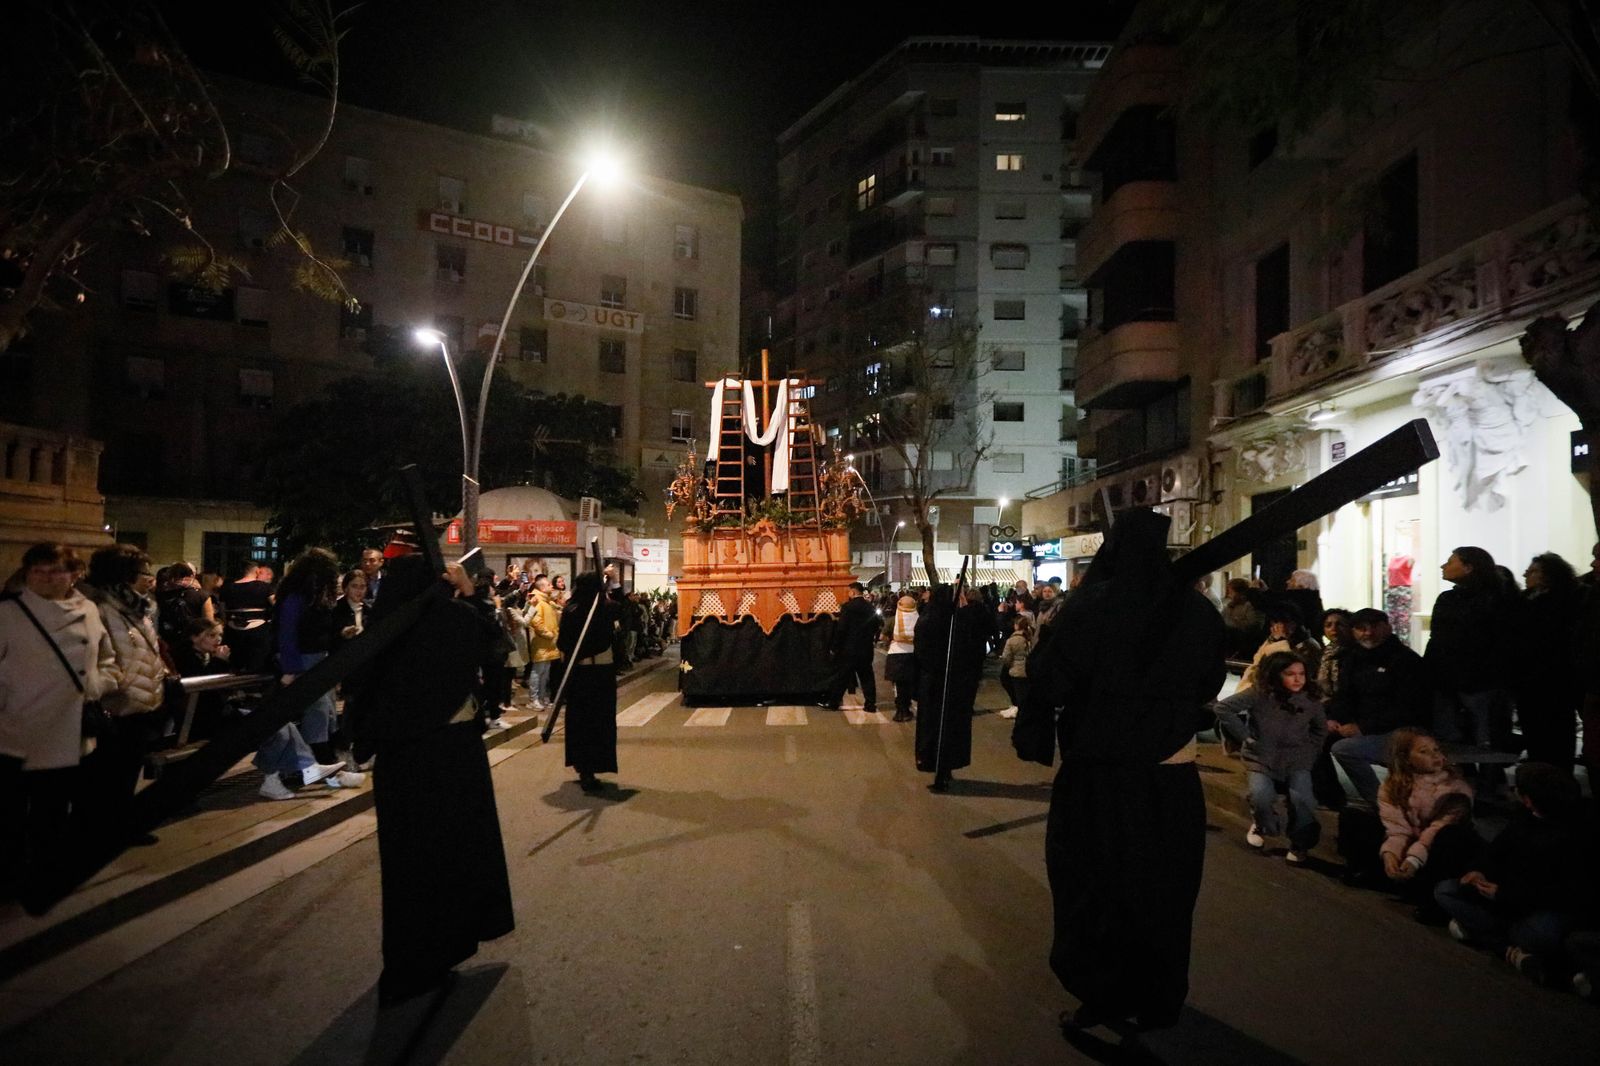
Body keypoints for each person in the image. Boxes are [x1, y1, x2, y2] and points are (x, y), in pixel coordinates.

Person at [1019, 508, 1227, 1033]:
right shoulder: (1197, 612)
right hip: (1172, 777)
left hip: (1100, 777)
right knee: (1165, 892)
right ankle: (1158, 1000)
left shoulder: (1091, 606)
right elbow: (1208, 683)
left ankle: (1104, 995)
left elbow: (1050, 679)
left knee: (1096, 888)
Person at [345, 554, 515, 1006]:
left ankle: (412, 961)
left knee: (410, 866)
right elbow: (496, 647)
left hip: (403, 761)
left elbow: (362, 689)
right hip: (454, 752)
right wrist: (470, 595)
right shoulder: (454, 618)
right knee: (455, 854)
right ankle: (447, 946)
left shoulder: (386, 625)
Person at [1, 544, 116, 909]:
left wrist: (95, 685)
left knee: (53, 813)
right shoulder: (8, 612)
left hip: (69, 730)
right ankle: (10, 879)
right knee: (10, 815)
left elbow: (109, 659)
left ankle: (44, 880)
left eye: (55, 570)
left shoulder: (90, 611)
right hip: (13, 730)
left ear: (74, 574)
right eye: (38, 570)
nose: (46, 577)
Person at [1433, 762, 1592, 983]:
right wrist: (1477, 871)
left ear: (1528, 799)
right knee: (1445, 891)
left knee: (1542, 934)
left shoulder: (1575, 835)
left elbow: (1561, 894)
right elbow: (1495, 851)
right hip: (1506, 898)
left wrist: (1503, 893)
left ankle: (1497, 943)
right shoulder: (1524, 819)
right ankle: (1511, 949)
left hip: (1539, 905)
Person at [79, 544, 173, 843]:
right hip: (115, 702)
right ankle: (100, 830)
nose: (150, 577)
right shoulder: (100, 607)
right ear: (124, 575)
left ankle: (120, 824)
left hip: (139, 700)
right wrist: (115, 683)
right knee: (106, 771)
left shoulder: (138, 607)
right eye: (144, 572)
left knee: (126, 768)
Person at [1212, 651, 1326, 864]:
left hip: (1297, 758)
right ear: (1275, 675)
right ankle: (1262, 823)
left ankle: (1300, 844)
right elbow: (1223, 708)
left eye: (1301, 673)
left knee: (1303, 800)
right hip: (1261, 757)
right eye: (1290, 673)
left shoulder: (1310, 698)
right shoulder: (1259, 694)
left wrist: (1311, 751)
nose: (1297, 679)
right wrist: (1245, 737)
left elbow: (1319, 728)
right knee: (1260, 796)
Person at [1328, 608, 1432, 807]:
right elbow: (1344, 695)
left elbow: (1409, 709)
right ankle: (1327, 795)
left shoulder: (1405, 661)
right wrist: (1335, 719)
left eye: (1374, 627)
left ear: (1388, 627)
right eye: (1361, 628)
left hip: (1399, 731)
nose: (1368, 633)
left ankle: (1381, 803)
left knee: (1344, 749)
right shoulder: (1352, 658)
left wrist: (1362, 728)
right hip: (1362, 725)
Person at [1377, 728, 1478, 922]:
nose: (1435, 756)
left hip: (1438, 849)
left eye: (1436, 750)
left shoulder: (1456, 789)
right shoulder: (1392, 785)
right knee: (1357, 819)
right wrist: (1390, 854)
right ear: (1406, 758)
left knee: (1449, 836)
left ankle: (1431, 900)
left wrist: (1414, 859)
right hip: (1412, 844)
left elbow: (1437, 830)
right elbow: (1396, 827)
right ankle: (1391, 877)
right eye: (1424, 752)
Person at [1426, 545, 1512, 750]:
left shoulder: (1496, 600)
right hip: (1447, 681)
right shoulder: (1447, 598)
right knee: (1450, 738)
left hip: (1481, 682)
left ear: (1468, 567)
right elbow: (1437, 638)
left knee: (1486, 739)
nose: (1443, 566)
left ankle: (1490, 779)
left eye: (1450, 561)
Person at [1510, 552, 1582, 772]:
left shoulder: (1566, 602)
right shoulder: (1525, 601)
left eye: (1533, 571)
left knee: (1556, 733)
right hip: (1529, 681)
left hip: (1555, 679)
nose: (1525, 575)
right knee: (1534, 732)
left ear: (1549, 576)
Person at [913, 583, 986, 791]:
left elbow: (922, 651)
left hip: (937, 682)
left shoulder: (934, 619)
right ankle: (944, 767)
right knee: (946, 727)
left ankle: (940, 769)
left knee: (937, 727)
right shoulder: (954, 620)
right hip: (950, 681)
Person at [557, 572, 621, 793]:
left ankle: (584, 767)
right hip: (598, 672)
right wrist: (611, 583)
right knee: (596, 721)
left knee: (581, 721)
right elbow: (617, 606)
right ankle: (588, 769)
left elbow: (562, 642)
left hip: (578, 672)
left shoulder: (570, 609)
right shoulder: (599, 608)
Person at [1237, 603, 1322, 693]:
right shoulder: (1273, 640)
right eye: (1276, 622)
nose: (1280, 627)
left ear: (1296, 623)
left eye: (1286, 622)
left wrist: (1280, 642)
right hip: (1258, 691)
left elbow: (1289, 672)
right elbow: (1256, 665)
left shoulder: (1308, 646)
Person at [824, 581, 879, 711]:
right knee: (867, 677)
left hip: (849, 649)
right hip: (865, 648)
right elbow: (876, 625)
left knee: (842, 677)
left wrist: (835, 647)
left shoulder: (848, 607)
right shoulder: (869, 607)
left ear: (853, 592)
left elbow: (841, 629)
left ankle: (833, 703)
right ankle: (870, 704)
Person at [220, 561, 274, 674]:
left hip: (233, 630)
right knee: (257, 665)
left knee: (235, 664)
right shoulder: (264, 587)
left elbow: (223, 611)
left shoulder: (228, 588)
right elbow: (276, 604)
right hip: (258, 629)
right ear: (256, 571)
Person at [523, 575, 561, 710]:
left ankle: (541, 697)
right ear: (543, 587)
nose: (552, 586)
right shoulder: (539, 601)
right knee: (538, 672)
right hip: (542, 643)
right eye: (549, 584)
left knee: (545, 673)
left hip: (548, 644)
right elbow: (536, 621)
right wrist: (549, 634)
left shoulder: (547, 602)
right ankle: (534, 699)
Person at [883, 593, 919, 722]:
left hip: (895, 654)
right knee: (909, 683)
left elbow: (883, 636)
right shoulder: (918, 618)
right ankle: (907, 708)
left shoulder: (893, 619)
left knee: (898, 685)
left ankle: (900, 711)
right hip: (913, 654)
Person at [1221, 578, 1265, 661]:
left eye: (1231, 592)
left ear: (1239, 593)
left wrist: (1231, 623)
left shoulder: (1250, 605)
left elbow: (1253, 625)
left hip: (1245, 646)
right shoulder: (1230, 606)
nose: (1229, 595)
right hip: (1231, 644)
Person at [998, 615, 1032, 719]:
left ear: (1016, 626)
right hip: (1028, 669)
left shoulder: (1012, 640)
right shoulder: (1029, 637)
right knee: (1024, 692)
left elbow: (1006, 657)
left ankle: (1020, 711)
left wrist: (1008, 665)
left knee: (1018, 693)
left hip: (1016, 670)